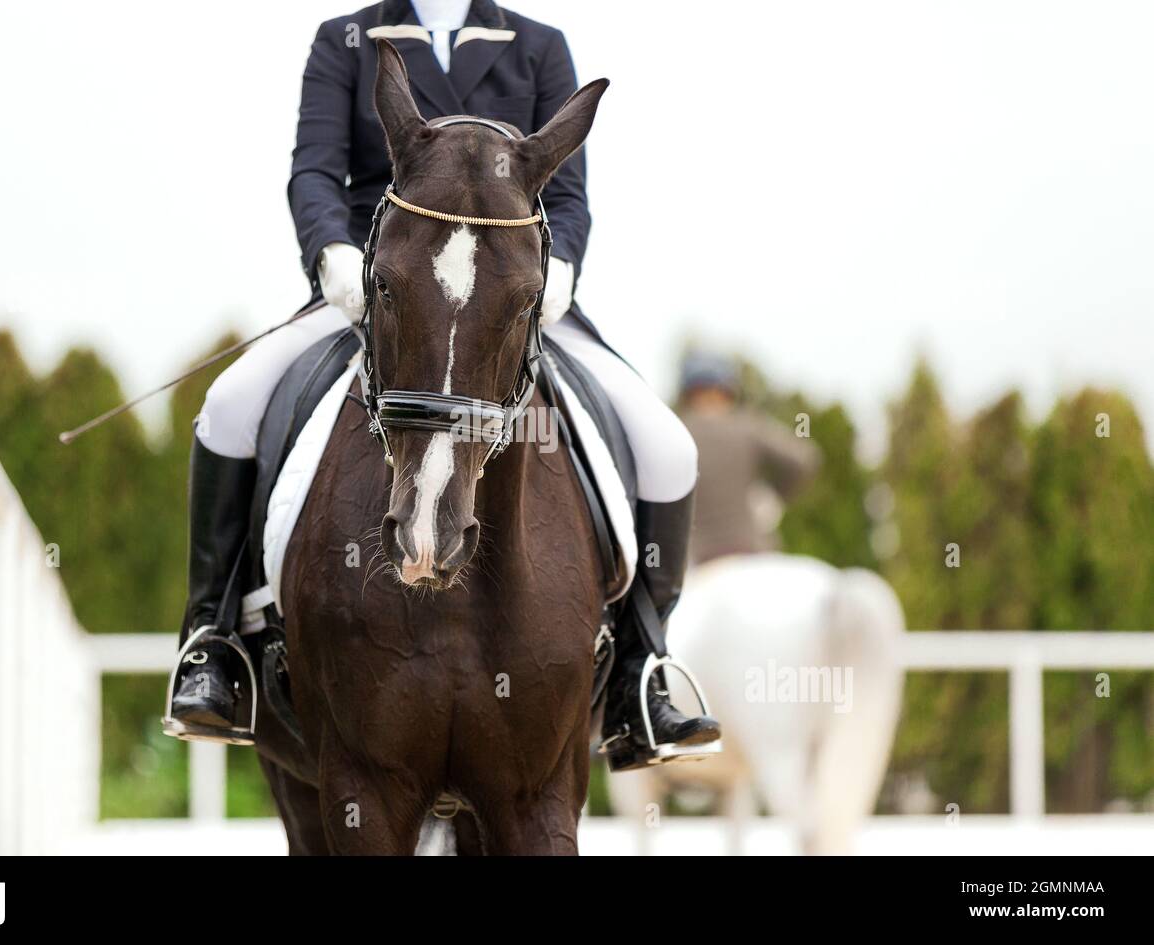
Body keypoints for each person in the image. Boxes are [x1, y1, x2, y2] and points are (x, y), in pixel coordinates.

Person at [166, 0, 720, 770]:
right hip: (383, 292)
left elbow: (568, 199)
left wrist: (558, 271)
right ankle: (212, 642)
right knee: (227, 406)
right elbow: (316, 169)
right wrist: (333, 254)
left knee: (669, 448)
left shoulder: (537, 46)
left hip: (510, 303)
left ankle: (642, 672)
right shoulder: (347, 40)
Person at [677, 352, 821, 564]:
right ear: (727, 391)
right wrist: (773, 497)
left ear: (689, 392)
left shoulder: (676, 432)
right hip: (754, 553)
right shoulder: (748, 426)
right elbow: (805, 457)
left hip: (697, 561)